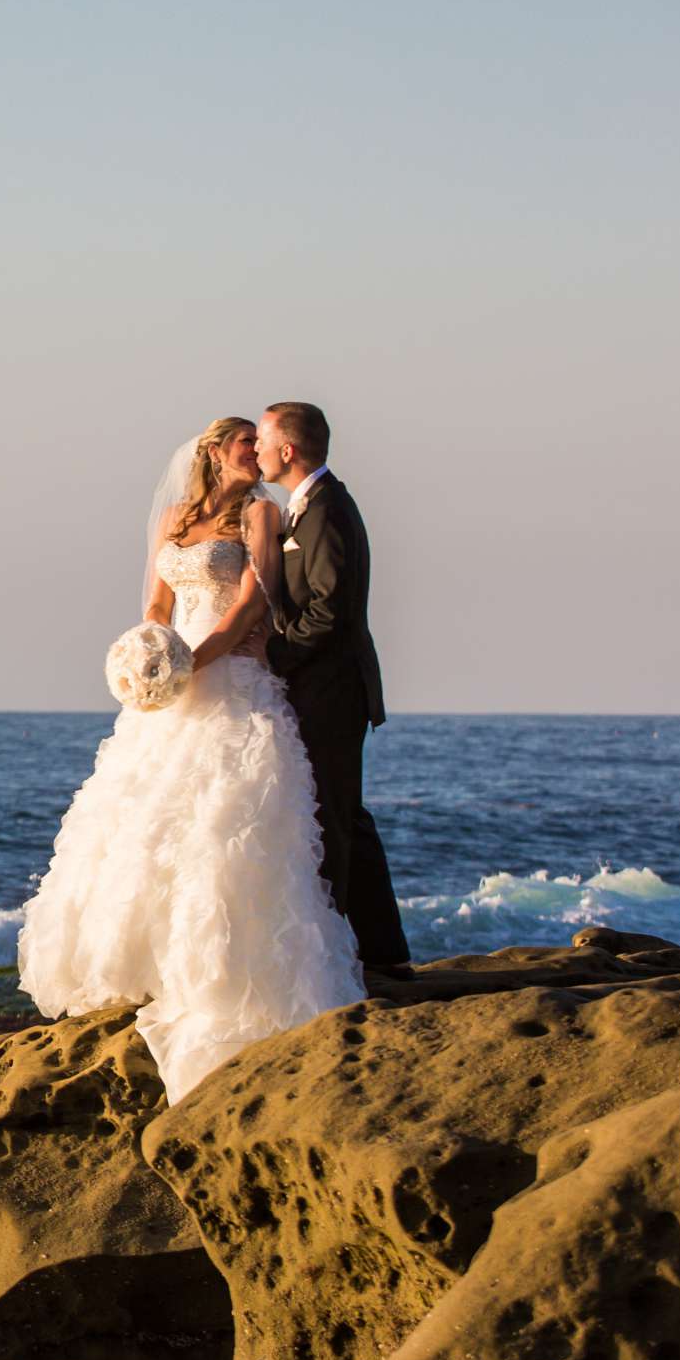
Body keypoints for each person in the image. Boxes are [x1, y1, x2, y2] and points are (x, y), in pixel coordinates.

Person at [17, 416, 366, 1101]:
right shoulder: (177, 516)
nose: (255, 454)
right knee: (145, 819)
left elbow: (249, 604)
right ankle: (135, 965)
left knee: (221, 822)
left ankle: (220, 979)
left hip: (227, 678)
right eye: (245, 444)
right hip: (170, 679)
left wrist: (190, 666)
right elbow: (158, 599)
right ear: (217, 452)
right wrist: (150, 653)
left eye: (259, 444)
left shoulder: (261, 514)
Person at [255, 402, 411, 969]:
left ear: (288, 451)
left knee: (335, 822)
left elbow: (329, 610)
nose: (257, 453)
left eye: (264, 442)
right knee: (346, 818)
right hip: (325, 688)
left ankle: (348, 958)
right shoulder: (309, 508)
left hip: (333, 690)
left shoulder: (325, 512)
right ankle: (382, 952)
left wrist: (272, 656)